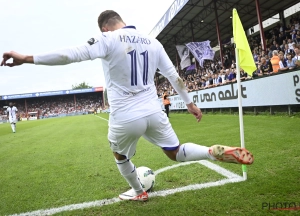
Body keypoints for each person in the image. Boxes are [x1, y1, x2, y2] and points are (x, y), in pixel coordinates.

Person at [1, 10, 254, 202]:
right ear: (121, 20)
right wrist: (190, 104)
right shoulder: (152, 42)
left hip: (124, 115)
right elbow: (173, 76)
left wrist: (26, 58)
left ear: (104, 27)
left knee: (120, 156)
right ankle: (211, 151)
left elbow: (71, 54)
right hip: (153, 110)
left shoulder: (108, 39)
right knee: (175, 151)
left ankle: (138, 191)